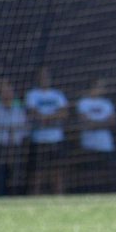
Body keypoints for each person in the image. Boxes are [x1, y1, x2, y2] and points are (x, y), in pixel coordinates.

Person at [25, 67, 69, 196]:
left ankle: (59, 196)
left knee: (57, 170)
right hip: (38, 139)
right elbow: (32, 112)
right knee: (37, 171)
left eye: (46, 75)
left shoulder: (57, 95)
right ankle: (35, 196)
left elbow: (64, 112)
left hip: (56, 139)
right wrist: (51, 117)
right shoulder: (32, 95)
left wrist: (46, 118)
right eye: (41, 76)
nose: (44, 79)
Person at [77, 78, 116, 193]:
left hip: (105, 144)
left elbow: (112, 121)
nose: (102, 89)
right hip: (89, 144)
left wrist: (94, 124)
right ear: (93, 87)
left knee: (105, 172)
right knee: (90, 173)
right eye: (100, 86)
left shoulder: (107, 103)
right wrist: (102, 123)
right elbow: (84, 121)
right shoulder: (83, 102)